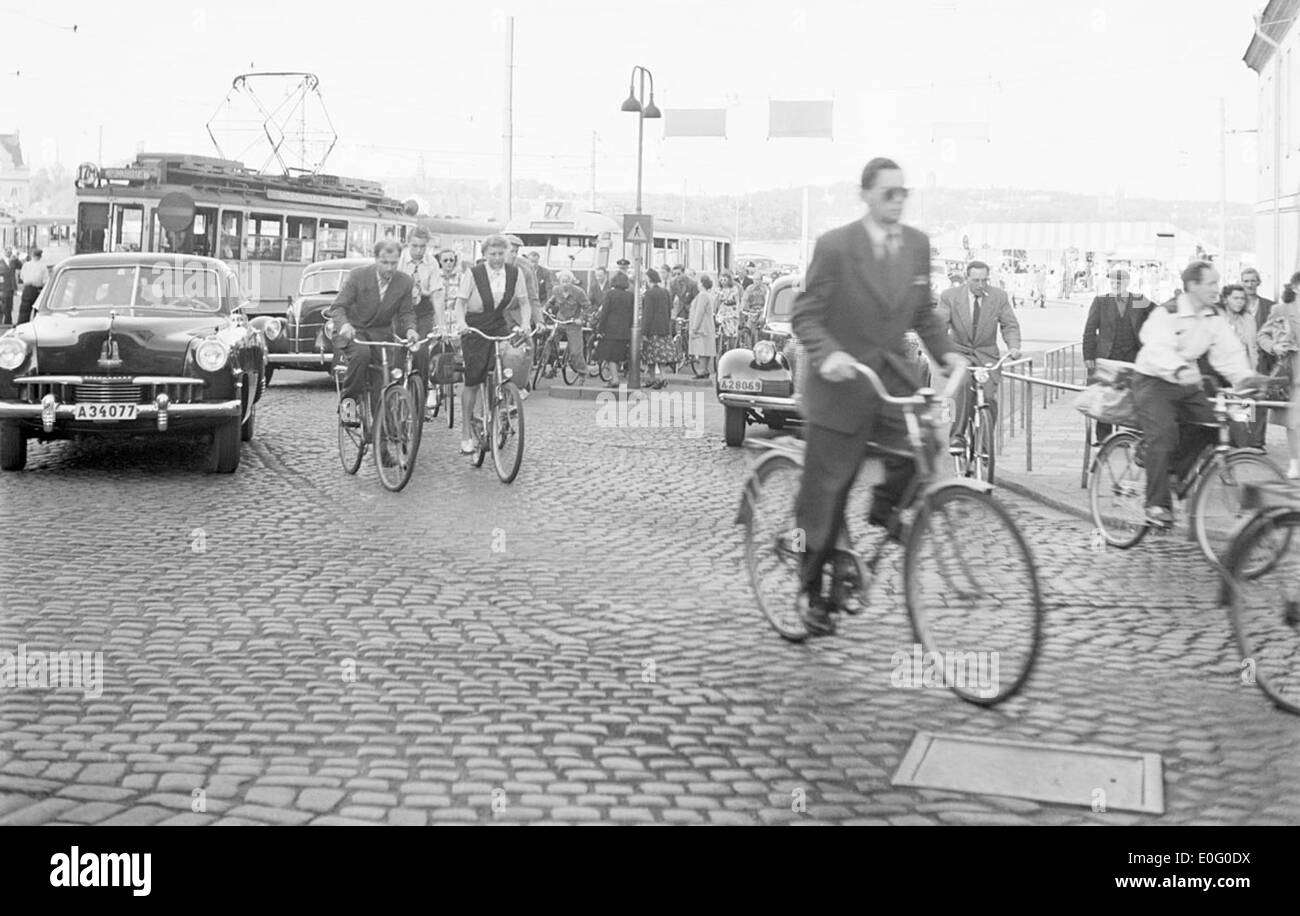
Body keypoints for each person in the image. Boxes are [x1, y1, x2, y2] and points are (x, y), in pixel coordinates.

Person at [790, 156, 964, 636]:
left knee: (924, 447)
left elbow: (924, 314)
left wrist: (946, 353)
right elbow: (805, 314)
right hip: (841, 388)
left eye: (903, 192)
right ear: (865, 194)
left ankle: (884, 510)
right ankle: (811, 592)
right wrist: (828, 355)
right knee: (824, 499)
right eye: (889, 192)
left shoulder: (916, 246)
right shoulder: (836, 247)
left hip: (890, 381)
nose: (897, 200)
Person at [1131, 260, 1272, 528]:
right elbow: (1156, 344)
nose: (1216, 289)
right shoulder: (1168, 312)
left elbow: (1229, 353)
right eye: (1211, 283)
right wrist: (1179, 368)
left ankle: (1173, 472)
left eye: (1217, 283)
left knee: (1215, 423)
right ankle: (1156, 505)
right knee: (1164, 434)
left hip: (1187, 382)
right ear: (1192, 285)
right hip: (1154, 380)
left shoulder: (1212, 317)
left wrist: (1245, 379)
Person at [453, 234, 531, 454]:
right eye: (492, 254)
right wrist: (461, 323)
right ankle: (466, 431)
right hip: (475, 325)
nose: (497, 258)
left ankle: (499, 407)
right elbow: (461, 303)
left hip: (497, 322)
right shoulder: (474, 273)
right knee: (473, 377)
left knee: (506, 365)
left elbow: (524, 302)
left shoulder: (515, 274)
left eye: (500, 254)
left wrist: (525, 323)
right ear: (485, 255)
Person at [327, 239, 418, 425]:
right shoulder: (358, 276)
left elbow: (406, 312)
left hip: (381, 335)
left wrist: (410, 330)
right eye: (385, 262)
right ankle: (348, 407)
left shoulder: (405, 282)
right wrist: (344, 325)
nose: (390, 268)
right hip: (354, 331)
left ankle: (383, 439)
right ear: (376, 259)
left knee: (384, 379)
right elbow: (337, 307)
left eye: (394, 263)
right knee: (362, 355)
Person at [937, 260, 1021, 452]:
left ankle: (985, 445)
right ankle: (957, 437)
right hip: (959, 353)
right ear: (967, 278)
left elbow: (1009, 325)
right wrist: (943, 351)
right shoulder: (950, 296)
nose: (980, 285)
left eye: (984, 280)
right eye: (975, 281)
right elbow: (939, 326)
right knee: (963, 387)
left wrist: (1013, 347)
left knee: (989, 397)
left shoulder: (999, 297)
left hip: (986, 354)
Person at [1082, 267, 1154, 441]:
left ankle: (1133, 436)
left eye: (1119, 282)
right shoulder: (1101, 301)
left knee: (1134, 397)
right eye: (1113, 282)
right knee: (1105, 396)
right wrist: (1088, 356)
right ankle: (1103, 437)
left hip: (1132, 356)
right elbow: (1090, 329)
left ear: (1127, 283)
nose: (1116, 285)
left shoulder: (1137, 300)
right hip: (1108, 355)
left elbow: (1158, 312)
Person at [1257, 270, 1300, 478]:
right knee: (1294, 422)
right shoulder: (1281, 310)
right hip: (1293, 374)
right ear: (1295, 287)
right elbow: (1262, 335)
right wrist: (1275, 347)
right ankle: (1295, 462)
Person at [398, 227, 439, 383]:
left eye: (422, 246)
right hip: (400, 311)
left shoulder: (432, 263)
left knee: (421, 352)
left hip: (423, 311)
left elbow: (437, 293)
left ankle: (420, 394)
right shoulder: (399, 260)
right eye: (414, 246)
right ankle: (396, 391)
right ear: (408, 243)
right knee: (397, 353)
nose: (418, 250)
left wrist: (441, 325)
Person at [544, 269, 590, 379]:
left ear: (571, 281)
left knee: (575, 352)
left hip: (573, 324)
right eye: (562, 281)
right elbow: (551, 301)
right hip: (560, 321)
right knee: (549, 343)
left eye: (567, 281)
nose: (565, 283)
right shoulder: (556, 290)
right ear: (559, 282)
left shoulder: (579, 292)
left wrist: (581, 319)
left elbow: (587, 307)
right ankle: (549, 366)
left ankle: (582, 372)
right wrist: (545, 309)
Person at [594, 271, 633, 388]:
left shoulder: (610, 294)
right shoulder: (630, 296)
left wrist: (600, 329)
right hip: (625, 331)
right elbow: (632, 314)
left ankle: (615, 379)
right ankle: (618, 377)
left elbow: (605, 312)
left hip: (610, 330)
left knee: (611, 356)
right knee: (619, 355)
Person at [639, 269, 675, 388]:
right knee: (661, 356)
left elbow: (647, 314)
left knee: (650, 355)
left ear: (649, 279)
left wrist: (644, 331)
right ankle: (662, 377)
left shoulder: (649, 294)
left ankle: (652, 378)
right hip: (664, 328)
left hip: (652, 329)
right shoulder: (665, 292)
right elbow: (669, 310)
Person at [689, 274, 718, 379]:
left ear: (701, 283)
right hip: (708, 325)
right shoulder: (709, 295)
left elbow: (699, 312)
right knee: (706, 349)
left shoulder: (702, 295)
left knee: (701, 350)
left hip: (702, 327)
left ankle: (701, 371)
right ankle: (705, 370)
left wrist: (694, 328)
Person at [18, 249, 48, 324]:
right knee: (37, 311)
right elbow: (45, 280)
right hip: (37, 290)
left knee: (24, 311)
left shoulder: (26, 265)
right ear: (40, 256)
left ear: (32, 255)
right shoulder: (43, 266)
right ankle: (36, 326)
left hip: (27, 289)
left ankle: (22, 326)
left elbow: (21, 277)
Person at [715, 270, 741, 350]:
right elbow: (717, 302)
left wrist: (738, 311)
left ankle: (731, 348)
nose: (723, 282)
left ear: (729, 280)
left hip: (731, 311)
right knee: (719, 325)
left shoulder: (734, 289)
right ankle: (720, 345)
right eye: (721, 280)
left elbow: (737, 302)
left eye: (725, 280)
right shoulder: (719, 289)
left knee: (732, 332)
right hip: (723, 310)